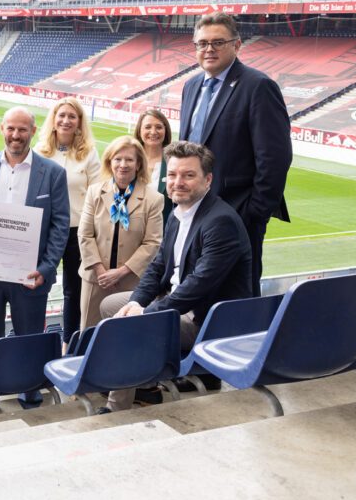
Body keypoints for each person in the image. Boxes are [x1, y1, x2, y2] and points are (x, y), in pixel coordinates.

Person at [99, 141, 252, 412]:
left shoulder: (220, 222)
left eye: (188, 175)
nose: (177, 182)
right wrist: (136, 302)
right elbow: (157, 267)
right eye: (172, 175)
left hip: (207, 319)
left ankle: (116, 407)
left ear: (207, 180)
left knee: (130, 325)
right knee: (113, 306)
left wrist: (147, 315)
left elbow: (198, 286)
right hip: (180, 305)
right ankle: (143, 382)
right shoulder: (178, 213)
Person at [0, 107, 70, 418]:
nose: (16, 135)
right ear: (1, 128)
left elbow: (60, 225)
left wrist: (47, 268)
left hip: (30, 275)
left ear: (33, 132)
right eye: (11, 128)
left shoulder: (52, 173)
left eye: (22, 130)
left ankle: (31, 397)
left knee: (30, 338)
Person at [179, 12, 291, 296]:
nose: (209, 49)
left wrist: (255, 214)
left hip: (238, 212)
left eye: (218, 42)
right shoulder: (191, 86)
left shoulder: (258, 86)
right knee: (194, 288)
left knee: (236, 294)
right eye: (202, 43)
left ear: (237, 45)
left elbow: (275, 158)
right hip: (194, 210)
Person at [77, 136, 163, 330]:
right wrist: (101, 271)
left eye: (129, 160)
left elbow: (153, 243)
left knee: (124, 334)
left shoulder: (153, 199)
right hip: (96, 278)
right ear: (109, 161)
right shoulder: (94, 192)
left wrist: (121, 273)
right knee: (89, 333)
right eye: (118, 159)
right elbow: (85, 235)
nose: (123, 165)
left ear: (139, 163)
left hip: (130, 281)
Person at [36, 96, 100, 347]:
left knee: (73, 292)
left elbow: (96, 195)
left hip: (76, 232)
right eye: (61, 115)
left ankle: (69, 344)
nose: (65, 120)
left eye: (72, 116)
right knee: (37, 287)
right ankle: (36, 343)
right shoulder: (40, 152)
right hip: (44, 232)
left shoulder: (89, 154)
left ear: (79, 122)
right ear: (53, 120)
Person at [133, 108, 174, 223]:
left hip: (161, 232)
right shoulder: (130, 158)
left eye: (159, 127)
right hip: (127, 229)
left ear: (166, 130)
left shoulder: (173, 162)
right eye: (148, 127)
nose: (153, 132)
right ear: (139, 130)